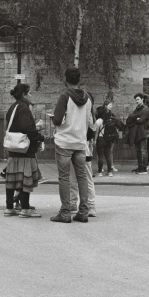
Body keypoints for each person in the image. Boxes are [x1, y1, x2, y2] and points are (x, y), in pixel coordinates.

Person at [50, 67, 93, 224]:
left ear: (65, 79)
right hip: (80, 142)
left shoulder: (65, 96)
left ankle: (65, 212)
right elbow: (89, 121)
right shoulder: (87, 98)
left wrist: (54, 118)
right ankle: (83, 211)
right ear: (79, 79)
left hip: (64, 141)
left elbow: (57, 119)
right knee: (82, 177)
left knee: (64, 177)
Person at [4, 84, 45, 218]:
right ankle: (25, 208)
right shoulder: (24, 107)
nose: (31, 96)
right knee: (24, 179)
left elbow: (16, 125)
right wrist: (39, 136)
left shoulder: (13, 107)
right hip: (25, 149)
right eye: (30, 93)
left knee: (12, 179)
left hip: (13, 147)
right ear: (24, 95)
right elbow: (26, 128)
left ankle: (9, 207)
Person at [127, 93, 149, 175]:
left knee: (143, 151)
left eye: (138, 99)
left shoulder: (145, 109)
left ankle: (144, 168)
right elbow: (130, 119)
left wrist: (136, 118)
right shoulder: (137, 109)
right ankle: (140, 167)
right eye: (136, 100)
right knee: (138, 151)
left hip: (142, 132)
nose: (136, 101)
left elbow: (141, 120)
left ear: (142, 99)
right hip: (136, 133)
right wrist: (136, 118)